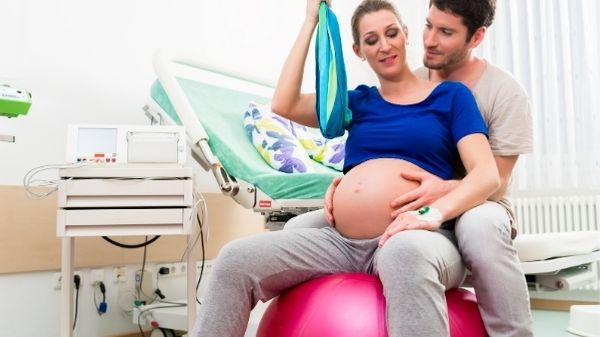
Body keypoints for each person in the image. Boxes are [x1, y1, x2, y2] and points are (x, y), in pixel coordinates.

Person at [190, 0, 500, 336]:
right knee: (235, 258)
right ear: (357, 50)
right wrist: (311, 22)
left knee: (404, 253)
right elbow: (284, 103)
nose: (384, 45)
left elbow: (486, 175)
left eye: (391, 33)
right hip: (343, 242)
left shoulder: (450, 97)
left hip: (421, 237)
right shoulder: (355, 102)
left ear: (406, 34)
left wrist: (433, 214)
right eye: (371, 40)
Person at [285, 0, 534, 336]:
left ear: (475, 37)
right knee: (297, 229)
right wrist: (349, 184)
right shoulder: (407, 83)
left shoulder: (503, 93)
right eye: (428, 25)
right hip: (409, 206)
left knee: (479, 229)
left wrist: (440, 193)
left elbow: (497, 181)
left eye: (445, 32)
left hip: (479, 202)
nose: (429, 40)